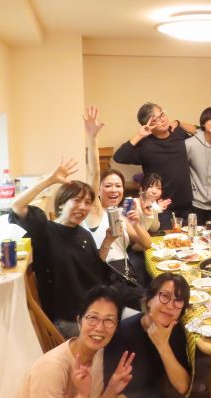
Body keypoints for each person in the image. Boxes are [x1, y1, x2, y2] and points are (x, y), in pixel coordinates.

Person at [9, 158, 111, 338]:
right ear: (62, 203)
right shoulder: (45, 230)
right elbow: (17, 206)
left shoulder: (84, 234)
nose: (83, 207)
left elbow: (96, 270)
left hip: (93, 310)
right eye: (77, 200)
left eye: (88, 202)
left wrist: (108, 241)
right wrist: (50, 180)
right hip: (68, 318)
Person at [12, 285, 135, 398]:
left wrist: (111, 390)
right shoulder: (51, 368)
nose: (99, 328)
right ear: (79, 321)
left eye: (109, 320)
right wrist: (82, 396)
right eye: (93, 318)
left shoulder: (100, 355)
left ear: (116, 328)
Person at [84, 106, 152, 296]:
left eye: (118, 186)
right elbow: (93, 173)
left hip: (125, 274)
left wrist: (136, 224)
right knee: (150, 300)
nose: (114, 190)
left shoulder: (121, 215)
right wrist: (92, 137)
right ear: (98, 190)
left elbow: (148, 244)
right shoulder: (95, 211)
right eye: (108, 186)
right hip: (107, 276)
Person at [104, 273, 192, 398]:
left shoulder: (175, 331)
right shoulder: (121, 334)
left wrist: (162, 345)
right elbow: (115, 394)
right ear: (149, 300)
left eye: (178, 300)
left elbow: (182, 387)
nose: (170, 305)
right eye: (165, 296)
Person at [113, 102, 195, 228]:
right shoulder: (145, 145)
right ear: (148, 125)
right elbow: (119, 157)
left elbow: (198, 130)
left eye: (162, 115)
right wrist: (140, 135)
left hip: (187, 205)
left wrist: (178, 122)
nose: (162, 120)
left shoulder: (177, 132)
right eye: (155, 120)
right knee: (166, 239)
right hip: (161, 207)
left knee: (191, 238)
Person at [134, 172, 171, 237]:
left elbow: (154, 229)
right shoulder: (134, 204)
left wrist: (156, 210)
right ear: (141, 189)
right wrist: (154, 210)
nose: (154, 191)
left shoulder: (153, 204)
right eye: (150, 187)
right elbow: (138, 235)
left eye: (159, 188)